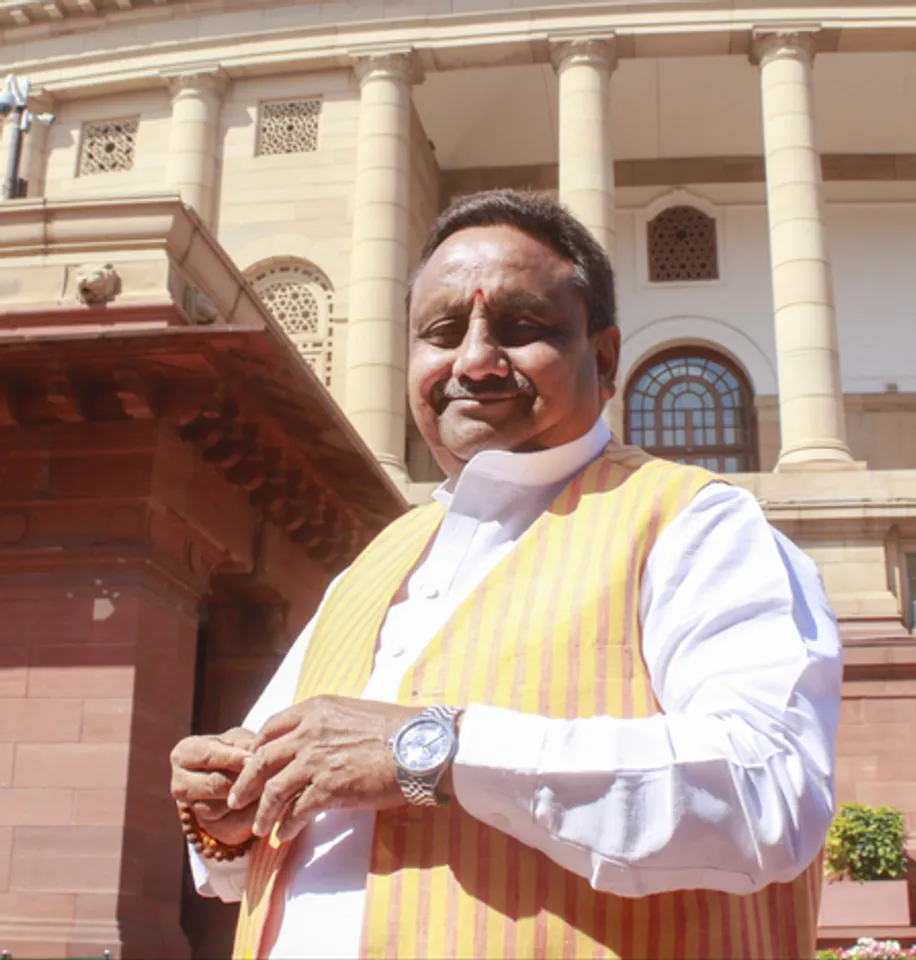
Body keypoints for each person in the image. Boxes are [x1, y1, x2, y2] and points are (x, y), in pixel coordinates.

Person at [170, 189, 842, 960]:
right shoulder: (372, 565)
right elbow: (282, 825)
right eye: (440, 333)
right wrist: (230, 813)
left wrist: (433, 750)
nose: (474, 362)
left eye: (521, 329)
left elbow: (768, 792)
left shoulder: (690, 524)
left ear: (604, 359)